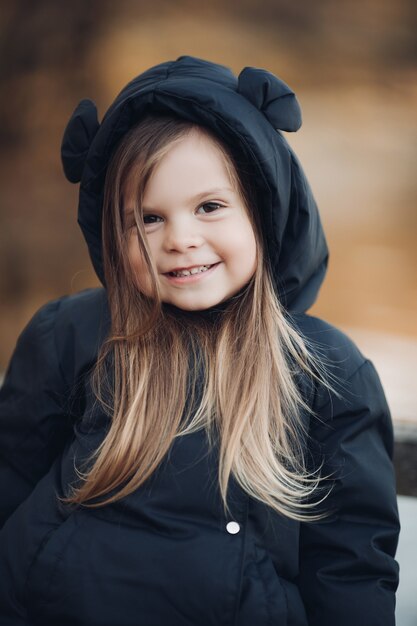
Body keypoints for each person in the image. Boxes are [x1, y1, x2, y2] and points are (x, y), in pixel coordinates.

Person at [0, 55, 399, 625]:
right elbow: (10, 480)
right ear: (113, 235)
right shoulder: (71, 333)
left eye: (210, 207)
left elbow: (352, 561)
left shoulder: (323, 368)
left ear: (263, 211)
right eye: (148, 219)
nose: (181, 239)